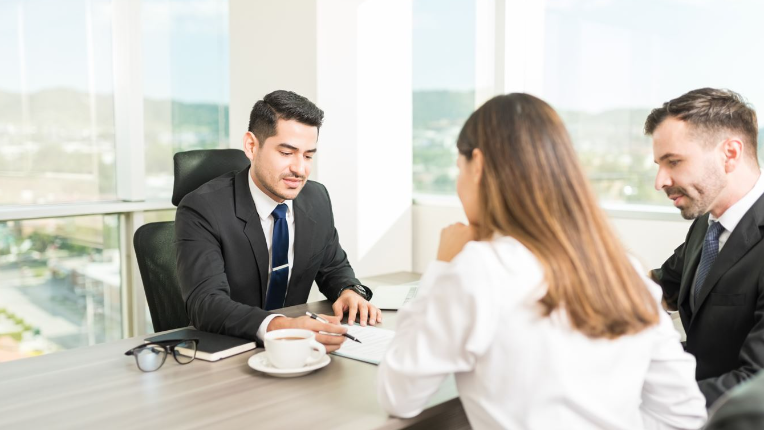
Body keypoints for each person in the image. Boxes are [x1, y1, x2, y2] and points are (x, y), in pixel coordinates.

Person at [377, 93, 707, 429]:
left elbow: (398, 395)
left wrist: (442, 267)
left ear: (477, 164)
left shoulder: (481, 268)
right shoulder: (624, 270)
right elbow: (683, 415)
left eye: (459, 169)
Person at [175, 90, 381, 352]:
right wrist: (282, 327)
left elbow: (333, 266)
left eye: (308, 156)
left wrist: (349, 291)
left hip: (298, 353)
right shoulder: (202, 208)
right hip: (231, 351)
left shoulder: (316, 198)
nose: (300, 169)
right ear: (251, 146)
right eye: (287, 153)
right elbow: (206, 303)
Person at [646, 88, 764, 407]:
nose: (660, 181)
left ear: (730, 154)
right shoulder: (708, 223)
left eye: (674, 162)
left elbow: (756, 383)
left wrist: (646, 398)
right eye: (659, 164)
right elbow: (660, 285)